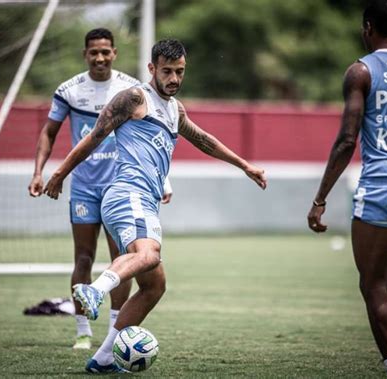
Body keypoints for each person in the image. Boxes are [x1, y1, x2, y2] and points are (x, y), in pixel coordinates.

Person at [44, 39, 267, 373]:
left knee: (154, 285)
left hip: (144, 200)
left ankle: (103, 358)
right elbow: (92, 138)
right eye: (167, 71)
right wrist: (60, 173)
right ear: (152, 69)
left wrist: (244, 165)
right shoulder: (135, 98)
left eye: (179, 71)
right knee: (148, 255)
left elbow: (204, 140)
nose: (174, 78)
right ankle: (94, 291)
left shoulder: (175, 109)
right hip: (126, 195)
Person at [28, 28, 173, 350]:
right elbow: (49, 132)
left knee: (123, 257)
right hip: (84, 186)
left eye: (105, 51)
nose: (100, 57)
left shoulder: (129, 89)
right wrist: (40, 172)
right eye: (94, 52)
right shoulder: (69, 90)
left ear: (114, 53)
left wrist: (164, 179)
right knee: (82, 257)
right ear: (85, 55)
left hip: (119, 184)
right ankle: (82, 332)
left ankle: (114, 331)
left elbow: (153, 141)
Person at [307, 1, 387, 378]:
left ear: (368, 27)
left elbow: (346, 139)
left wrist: (320, 197)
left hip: (384, 184)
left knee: (373, 284)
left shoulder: (361, 71)